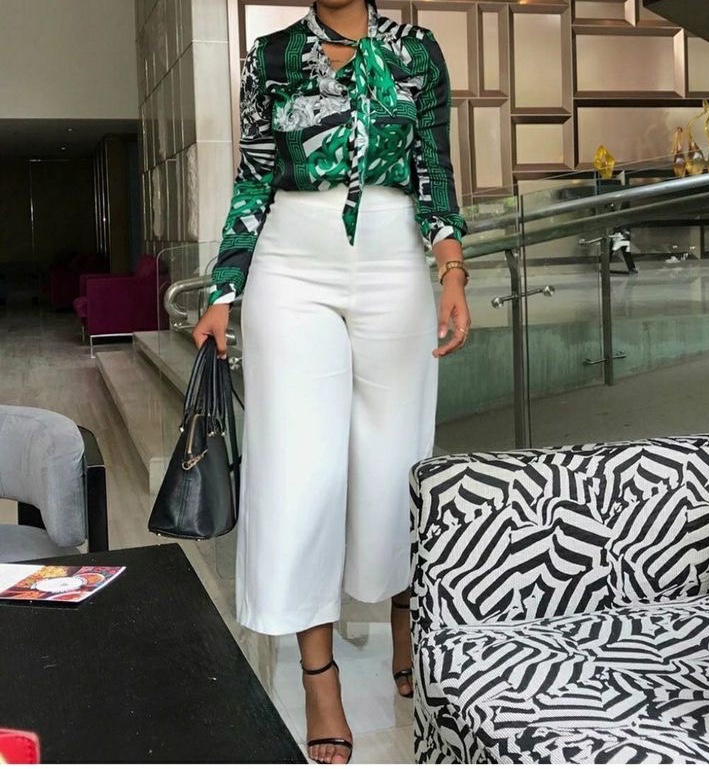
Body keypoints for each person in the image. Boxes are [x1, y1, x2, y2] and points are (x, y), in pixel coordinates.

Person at [192, 0, 469, 762]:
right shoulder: (271, 55)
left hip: (393, 260)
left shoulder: (416, 50)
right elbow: (254, 174)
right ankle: (320, 677)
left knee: (394, 460)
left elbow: (433, 166)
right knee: (299, 472)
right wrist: (223, 290)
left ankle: (406, 614)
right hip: (291, 264)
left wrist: (451, 270)